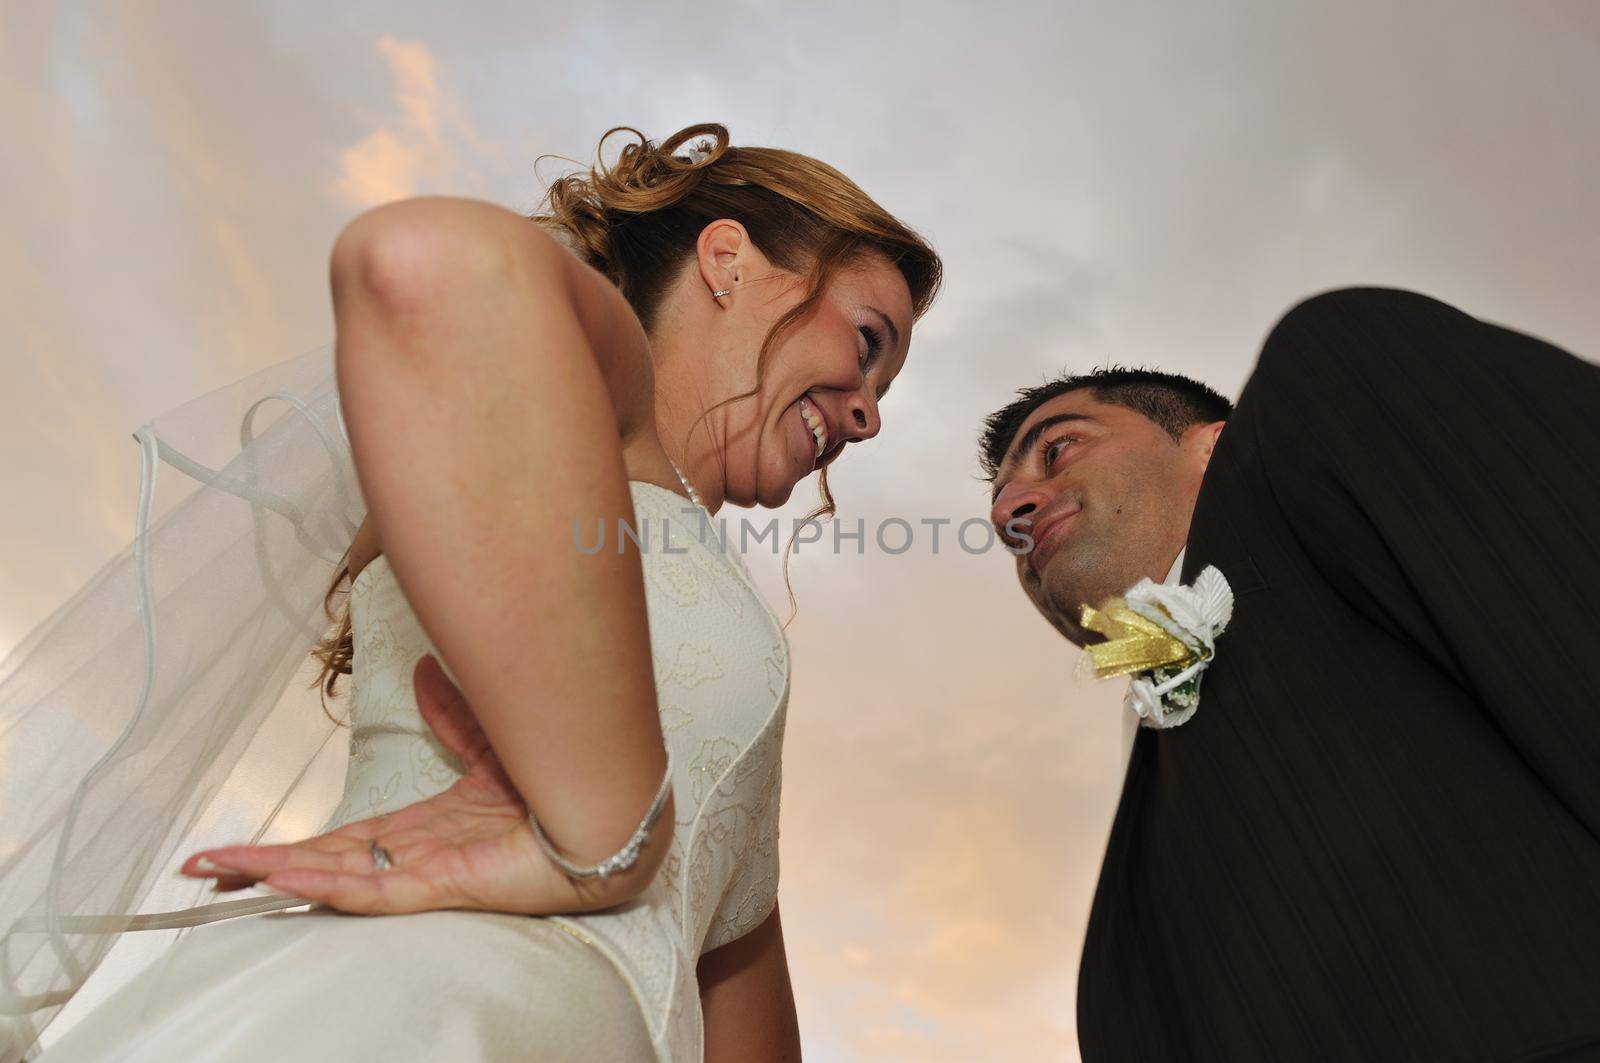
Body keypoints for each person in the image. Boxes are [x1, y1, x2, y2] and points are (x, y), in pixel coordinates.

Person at [4, 122, 940, 1062]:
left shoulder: (742, 657)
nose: (868, 412)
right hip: (418, 1005)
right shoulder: (591, 417)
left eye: (884, 384)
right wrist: (608, 826)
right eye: (866, 341)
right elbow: (428, 260)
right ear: (728, 260)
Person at [981, 288, 1600, 1061]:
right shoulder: (1129, 894)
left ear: (1211, 443)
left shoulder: (1331, 380)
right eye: (1003, 515)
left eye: (1058, 447)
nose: (1014, 509)